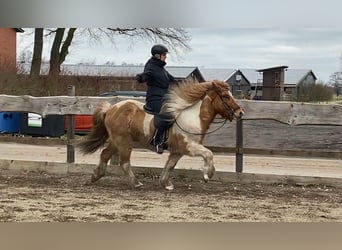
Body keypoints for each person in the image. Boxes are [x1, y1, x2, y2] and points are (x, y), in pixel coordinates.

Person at [136, 44, 177, 154]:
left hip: (163, 97)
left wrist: (186, 85)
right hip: (154, 98)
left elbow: (172, 80)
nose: (165, 57)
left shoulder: (161, 69)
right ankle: (155, 140)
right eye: (164, 55)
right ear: (158, 55)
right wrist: (141, 77)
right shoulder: (151, 66)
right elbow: (146, 75)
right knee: (167, 115)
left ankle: (165, 140)